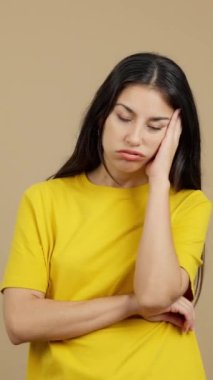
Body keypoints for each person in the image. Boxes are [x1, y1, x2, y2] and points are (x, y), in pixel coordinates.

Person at [1, 52, 212, 380]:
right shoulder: (45, 200)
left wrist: (158, 184)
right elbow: (20, 322)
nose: (135, 137)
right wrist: (131, 306)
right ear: (102, 117)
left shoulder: (188, 204)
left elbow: (155, 294)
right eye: (124, 117)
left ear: (174, 136)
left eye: (156, 126)